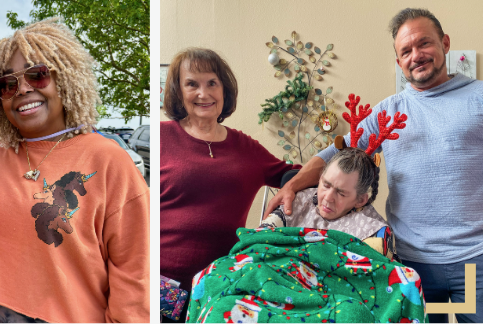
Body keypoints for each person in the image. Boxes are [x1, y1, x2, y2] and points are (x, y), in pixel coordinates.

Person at [265, 8, 483, 323]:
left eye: (424, 44)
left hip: (475, 259)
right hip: (410, 261)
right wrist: (291, 186)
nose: (416, 55)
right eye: (406, 51)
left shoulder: (478, 96)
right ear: (398, 62)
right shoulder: (388, 112)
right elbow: (330, 156)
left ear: (445, 43)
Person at [0, 18, 149, 323]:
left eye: (37, 75)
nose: (22, 89)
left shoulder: (108, 160)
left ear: (65, 78)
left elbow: (135, 272)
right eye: (7, 84)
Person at [159, 48, 299, 302]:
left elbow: (293, 175)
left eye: (212, 83)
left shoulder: (246, 148)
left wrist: (292, 187)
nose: (204, 93)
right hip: (160, 289)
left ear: (224, 90)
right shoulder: (161, 137)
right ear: (179, 92)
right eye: (192, 84)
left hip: (221, 289)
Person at [259, 148, 394, 259]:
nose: (328, 198)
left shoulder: (374, 232)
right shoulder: (297, 202)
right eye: (326, 185)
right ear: (320, 178)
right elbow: (258, 240)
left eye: (341, 193)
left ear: (360, 200)